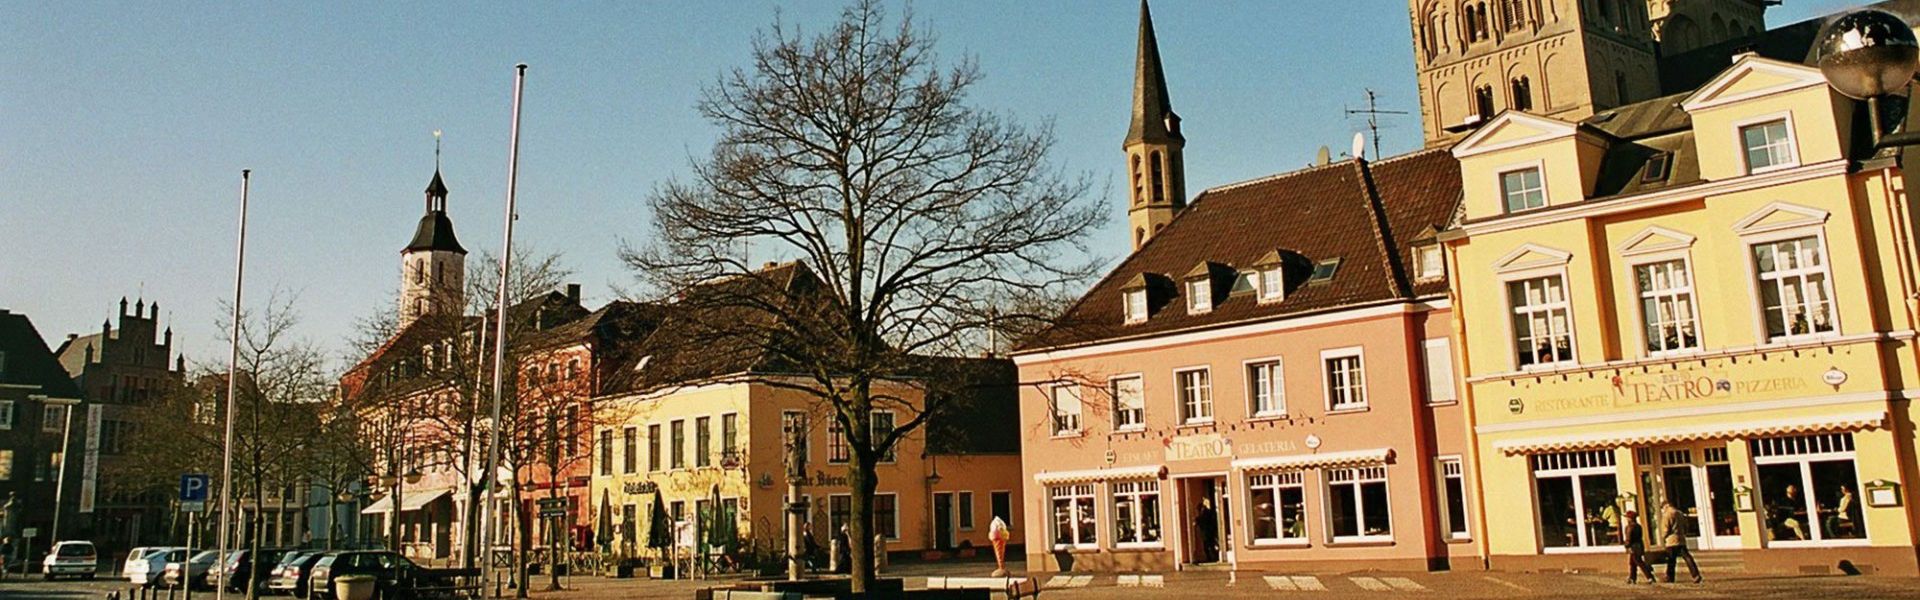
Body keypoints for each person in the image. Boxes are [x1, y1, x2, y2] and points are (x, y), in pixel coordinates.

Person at [1660, 501, 1701, 584]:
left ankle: (1670, 577)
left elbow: (1665, 529)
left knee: (1671, 559)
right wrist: (1683, 534)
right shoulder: (1680, 513)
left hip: (1671, 540)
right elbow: (1686, 526)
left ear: (1666, 506)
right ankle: (1695, 574)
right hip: (1681, 539)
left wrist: (1663, 537)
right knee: (1687, 557)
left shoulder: (1667, 515)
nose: (1663, 510)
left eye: (1663, 508)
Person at [1621, 510, 1655, 584]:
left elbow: (1628, 538)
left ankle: (1649, 577)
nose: (1626, 519)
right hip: (1639, 546)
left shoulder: (1629, 527)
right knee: (1632, 563)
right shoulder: (1638, 526)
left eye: (1627, 517)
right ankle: (1632, 578)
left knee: (1639, 562)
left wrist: (1626, 545)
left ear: (1630, 518)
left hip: (1633, 547)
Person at [1194, 498, 1219, 564]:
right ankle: (1213, 557)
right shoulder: (1207, 513)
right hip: (1208, 532)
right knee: (1210, 546)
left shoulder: (1205, 514)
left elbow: (1202, 521)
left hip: (1207, 532)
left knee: (1208, 546)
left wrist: (1197, 521)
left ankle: (1212, 558)